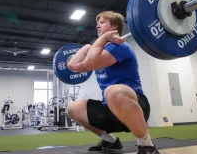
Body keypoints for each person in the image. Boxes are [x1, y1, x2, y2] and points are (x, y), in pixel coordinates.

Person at [67, 11, 160, 154]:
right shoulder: (98, 52)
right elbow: (72, 66)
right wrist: (86, 48)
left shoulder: (120, 47)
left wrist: (103, 39)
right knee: (73, 108)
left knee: (112, 91)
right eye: (97, 24)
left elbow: (91, 62)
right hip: (111, 109)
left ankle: (147, 146)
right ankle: (111, 141)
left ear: (115, 26)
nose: (98, 26)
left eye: (102, 23)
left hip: (135, 105)